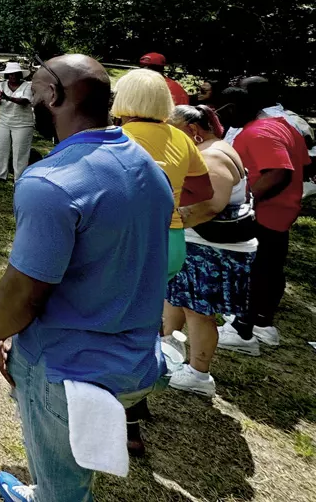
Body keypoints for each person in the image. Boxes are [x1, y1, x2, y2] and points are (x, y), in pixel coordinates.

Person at [0, 55, 173, 502]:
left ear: (52, 95)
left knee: (62, 490)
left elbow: (24, 293)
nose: (27, 95)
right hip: (140, 360)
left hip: (67, 369)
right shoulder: (147, 166)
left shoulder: (50, 182)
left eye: (33, 87)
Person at [161, 104, 256, 397]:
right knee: (175, 300)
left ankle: (199, 373)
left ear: (193, 131)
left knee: (198, 312)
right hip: (200, 246)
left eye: (173, 133)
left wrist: (170, 223)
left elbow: (210, 205)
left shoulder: (211, 156)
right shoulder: (215, 148)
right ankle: (166, 350)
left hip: (209, 249)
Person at [217, 86, 311, 355]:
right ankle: (262, 324)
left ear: (234, 107)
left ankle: (242, 330)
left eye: (222, 111)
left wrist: (247, 199)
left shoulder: (258, 133)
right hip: (283, 211)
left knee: (254, 269)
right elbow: (303, 162)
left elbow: (278, 173)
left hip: (265, 212)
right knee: (271, 267)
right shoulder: (283, 125)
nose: (221, 119)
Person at [111, 69, 212, 283]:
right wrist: (168, 201)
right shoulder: (181, 137)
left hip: (131, 242)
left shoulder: (118, 138)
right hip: (172, 242)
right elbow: (204, 190)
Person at [0, 62, 35, 181]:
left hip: (23, 124)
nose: (13, 76)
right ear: (7, 75)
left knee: (20, 152)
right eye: (10, 74)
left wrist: (8, 97)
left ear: (20, 74)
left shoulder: (27, 85)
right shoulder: (2, 85)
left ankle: (18, 178)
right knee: (2, 148)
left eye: (15, 74)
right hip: (4, 121)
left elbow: (25, 101)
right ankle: (1, 174)